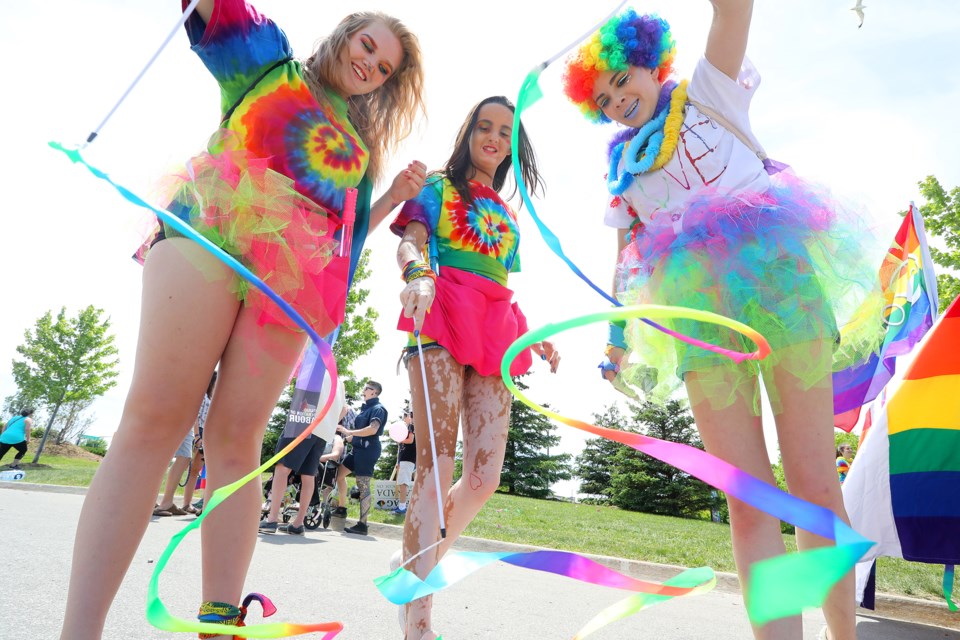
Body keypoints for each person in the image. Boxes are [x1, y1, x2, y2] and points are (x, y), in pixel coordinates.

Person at [59, 0, 426, 636]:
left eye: (385, 67)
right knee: (154, 421)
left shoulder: (358, 151)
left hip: (290, 287)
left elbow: (344, 245)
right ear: (344, 35)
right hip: (214, 227)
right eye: (368, 47)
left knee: (237, 442)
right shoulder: (269, 63)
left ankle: (219, 623)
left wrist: (390, 197)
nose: (371, 65)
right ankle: (79, 630)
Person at [561, 4, 880, 639]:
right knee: (749, 498)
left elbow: (733, 11)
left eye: (623, 79)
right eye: (603, 96)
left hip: (780, 284)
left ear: (651, 64)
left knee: (814, 484)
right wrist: (617, 339)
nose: (618, 98)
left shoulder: (709, 90)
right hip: (698, 314)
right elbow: (627, 258)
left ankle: (841, 635)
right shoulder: (623, 171)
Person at [391, 95, 560, 640]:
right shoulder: (438, 187)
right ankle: (417, 616)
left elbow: (502, 285)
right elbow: (411, 243)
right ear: (468, 133)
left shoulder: (508, 215)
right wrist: (416, 273)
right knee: (436, 468)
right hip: (440, 314)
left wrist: (533, 334)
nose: (493, 137)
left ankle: (417, 568)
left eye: (504, 132)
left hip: (496, 331)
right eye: (484, 126)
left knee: (484, 477)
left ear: (513, 146)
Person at [259, 374, 346, 535]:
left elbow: (303, 396)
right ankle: (298, 524)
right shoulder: (338, 381)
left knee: (282, 468)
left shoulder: (313, 368)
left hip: (302, 424)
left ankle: (271, 520)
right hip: (322, 431)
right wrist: (330, 423)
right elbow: (344, 409)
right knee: (308, 475)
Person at [155, 371, 218, 516]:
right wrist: (197, 436)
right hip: (198, 431)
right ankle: (167, 502)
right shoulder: (203, 397)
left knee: (194, 470)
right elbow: (195, 416)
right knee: (186, 464)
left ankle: (186, 504)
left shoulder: (211, 398)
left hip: (204, 433)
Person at [335, 380, 388, 535]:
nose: (363, 389)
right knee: (338, 475)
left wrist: (349, 431)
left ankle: (362, 525)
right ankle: (342, 507)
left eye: (367, 388)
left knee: (363, 484)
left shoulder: (379, 409)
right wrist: (346, 435)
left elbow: (372, 429)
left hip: (368, 450)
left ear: (374, 392)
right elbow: (359, 433)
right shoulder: (366, 408)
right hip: (357, 448)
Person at [393, 409, 416, 516]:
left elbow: (410, 440)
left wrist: (399, 439)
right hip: (405, 459)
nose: (403, 418)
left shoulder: (411, 426)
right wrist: (398, 461)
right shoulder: (408, 428)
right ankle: (402, 506)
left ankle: (402, 507)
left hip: (408, 458)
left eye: (405, 415)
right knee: (403, 482)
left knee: (403, 483)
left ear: (410, 417)